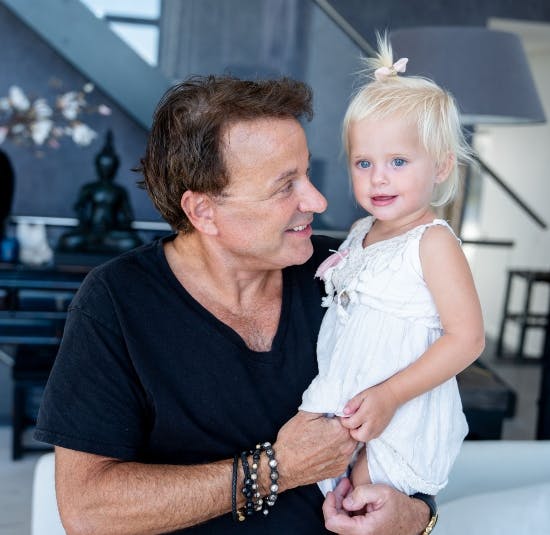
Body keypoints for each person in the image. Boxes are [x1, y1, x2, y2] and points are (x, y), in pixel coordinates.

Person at [35, 75, 434, 534]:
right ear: (203, 211)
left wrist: (417, 516)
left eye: (307, 174)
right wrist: (276, 468)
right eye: (284, 186)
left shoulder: (350, 269)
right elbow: (88, 511)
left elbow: (416, 426)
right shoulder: (116, 300)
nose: (317, 200)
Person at [300, 33, 485, 499]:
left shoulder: (433, 243)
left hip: (401, 409)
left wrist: (391, 395)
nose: (378, 177)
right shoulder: (362, 229)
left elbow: (467, 339)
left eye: (398, 161)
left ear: (441, 167)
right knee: (326, 500)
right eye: (363, 163)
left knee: (369, 503)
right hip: (347, 398)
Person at [57, 130, 143, 254]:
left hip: (111, 231)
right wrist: (85, 221)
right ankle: (95, 242)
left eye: (108, 167)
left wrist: (119, 224)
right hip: (91, 230)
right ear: (97, 167)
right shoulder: (89, 188)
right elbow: (80, 209)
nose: (105, 170)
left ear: (114, 168)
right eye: (103, 167)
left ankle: (101, 242)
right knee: (68, 240)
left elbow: (128, 216)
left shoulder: (119, 191)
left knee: (132, 242)